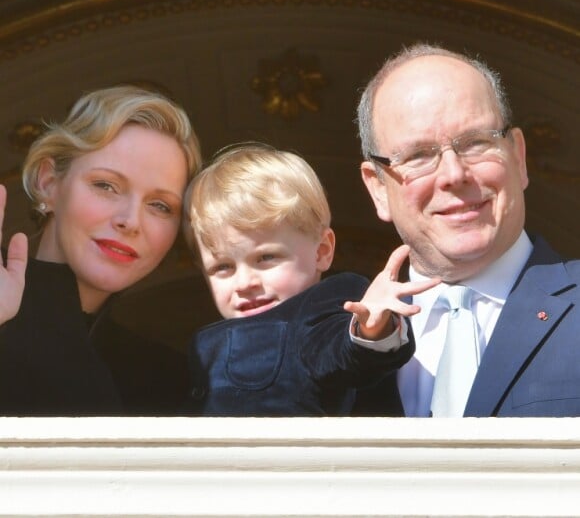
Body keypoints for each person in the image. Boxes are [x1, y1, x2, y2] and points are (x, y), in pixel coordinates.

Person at [356, 42, 580, 417]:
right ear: (378, 188)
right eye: (418, 156)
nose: (453, 175)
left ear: (518, 157)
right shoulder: (335, 342)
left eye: (476, 143)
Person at [182, 143, 436, 416]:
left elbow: (346, 354)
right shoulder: (204, 346)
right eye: (223, 267)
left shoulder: (324, 308)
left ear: (322, 251)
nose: (244, 283)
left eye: (266, 258)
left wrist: (370, 330)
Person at [0, 85, 202, 415]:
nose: (130, 220)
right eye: (106, 186)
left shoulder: (171, 382)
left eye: (160, 206)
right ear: (48, 183)